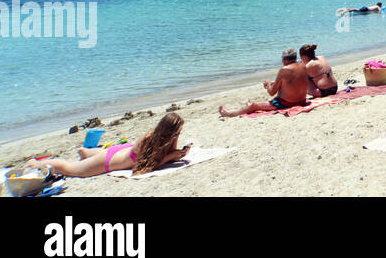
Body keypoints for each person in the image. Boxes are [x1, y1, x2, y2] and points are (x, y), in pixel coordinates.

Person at [26, 113, 191, 177]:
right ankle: (36, 163)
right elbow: (143, 168)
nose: (178, 135)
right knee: (70, 169)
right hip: (110, 160)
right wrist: (171, 156)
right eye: (176, 133)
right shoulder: (148, 140)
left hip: (120, 152)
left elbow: (167, 153)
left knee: (87, 158)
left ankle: (85, 152)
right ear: (169, 132)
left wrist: (177, 151)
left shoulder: (160, 139)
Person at [219, 49, 311, 116]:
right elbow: (291, 82)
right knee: (259, 102)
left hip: (287, 103)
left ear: (284, 60)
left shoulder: (284, 70)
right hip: (301, 100)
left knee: (254, 105)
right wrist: (272, 83)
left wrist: (267, 84)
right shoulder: (303, 66)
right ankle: (248, 106)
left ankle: (230, 114)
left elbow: (271, 93)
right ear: (295, 58)